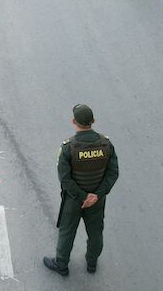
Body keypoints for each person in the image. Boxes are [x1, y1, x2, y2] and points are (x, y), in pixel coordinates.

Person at [44, 104, 119, 277]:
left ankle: (61, 265)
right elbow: (113, 173)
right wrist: (96, 196)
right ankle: (92, 263)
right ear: (93, 121)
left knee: (67, 231)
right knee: (96, 232)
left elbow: (65, 179)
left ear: (73, 121)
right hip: (97, 200)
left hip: (74, 199)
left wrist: (83, 196)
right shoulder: (106, 144)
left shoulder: (68, 147)